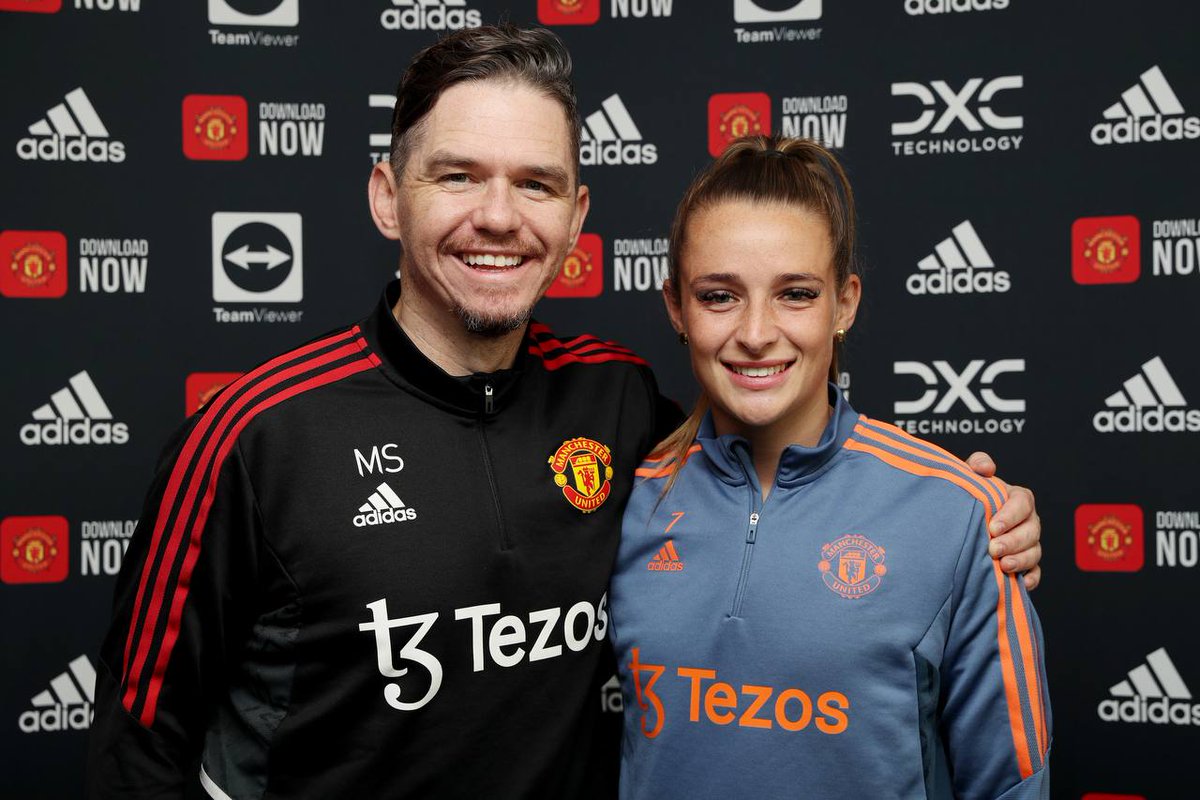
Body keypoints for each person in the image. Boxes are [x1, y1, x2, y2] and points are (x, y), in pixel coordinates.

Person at [86, 26, 1043, 799]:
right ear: (388, 196)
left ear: (577, 218)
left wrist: (973, 513)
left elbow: (766, 451)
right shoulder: (255, 435)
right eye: (458, 175)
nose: (499, 217)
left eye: (535, 183)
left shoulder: (618, 399)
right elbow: (140, 751)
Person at [609, 135, 1050, 798]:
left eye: (795, 294)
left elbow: (1013, 785)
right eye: (719, 296)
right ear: (676, 307)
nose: (756, 332)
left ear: (844, 303)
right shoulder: (627, 500)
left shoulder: (960, 514)